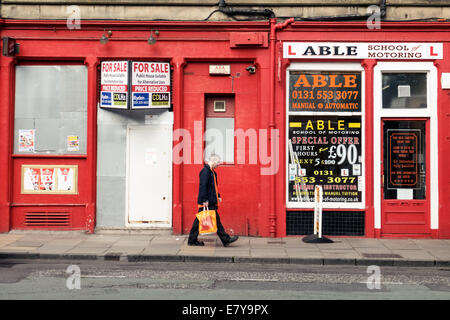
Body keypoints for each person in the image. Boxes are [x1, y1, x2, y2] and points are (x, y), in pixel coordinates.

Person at [188, 154, 239, 247]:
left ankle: (192, 240)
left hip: (210, 201)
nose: (219, 164)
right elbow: (203, 186)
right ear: (214, 161)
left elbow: (214, 187)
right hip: (206, 202)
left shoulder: (212, 172)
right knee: (205, 220)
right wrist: (204, 200)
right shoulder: (205, 172)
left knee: (204, 220)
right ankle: (225, 239)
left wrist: (218, 196)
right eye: (218, 162)